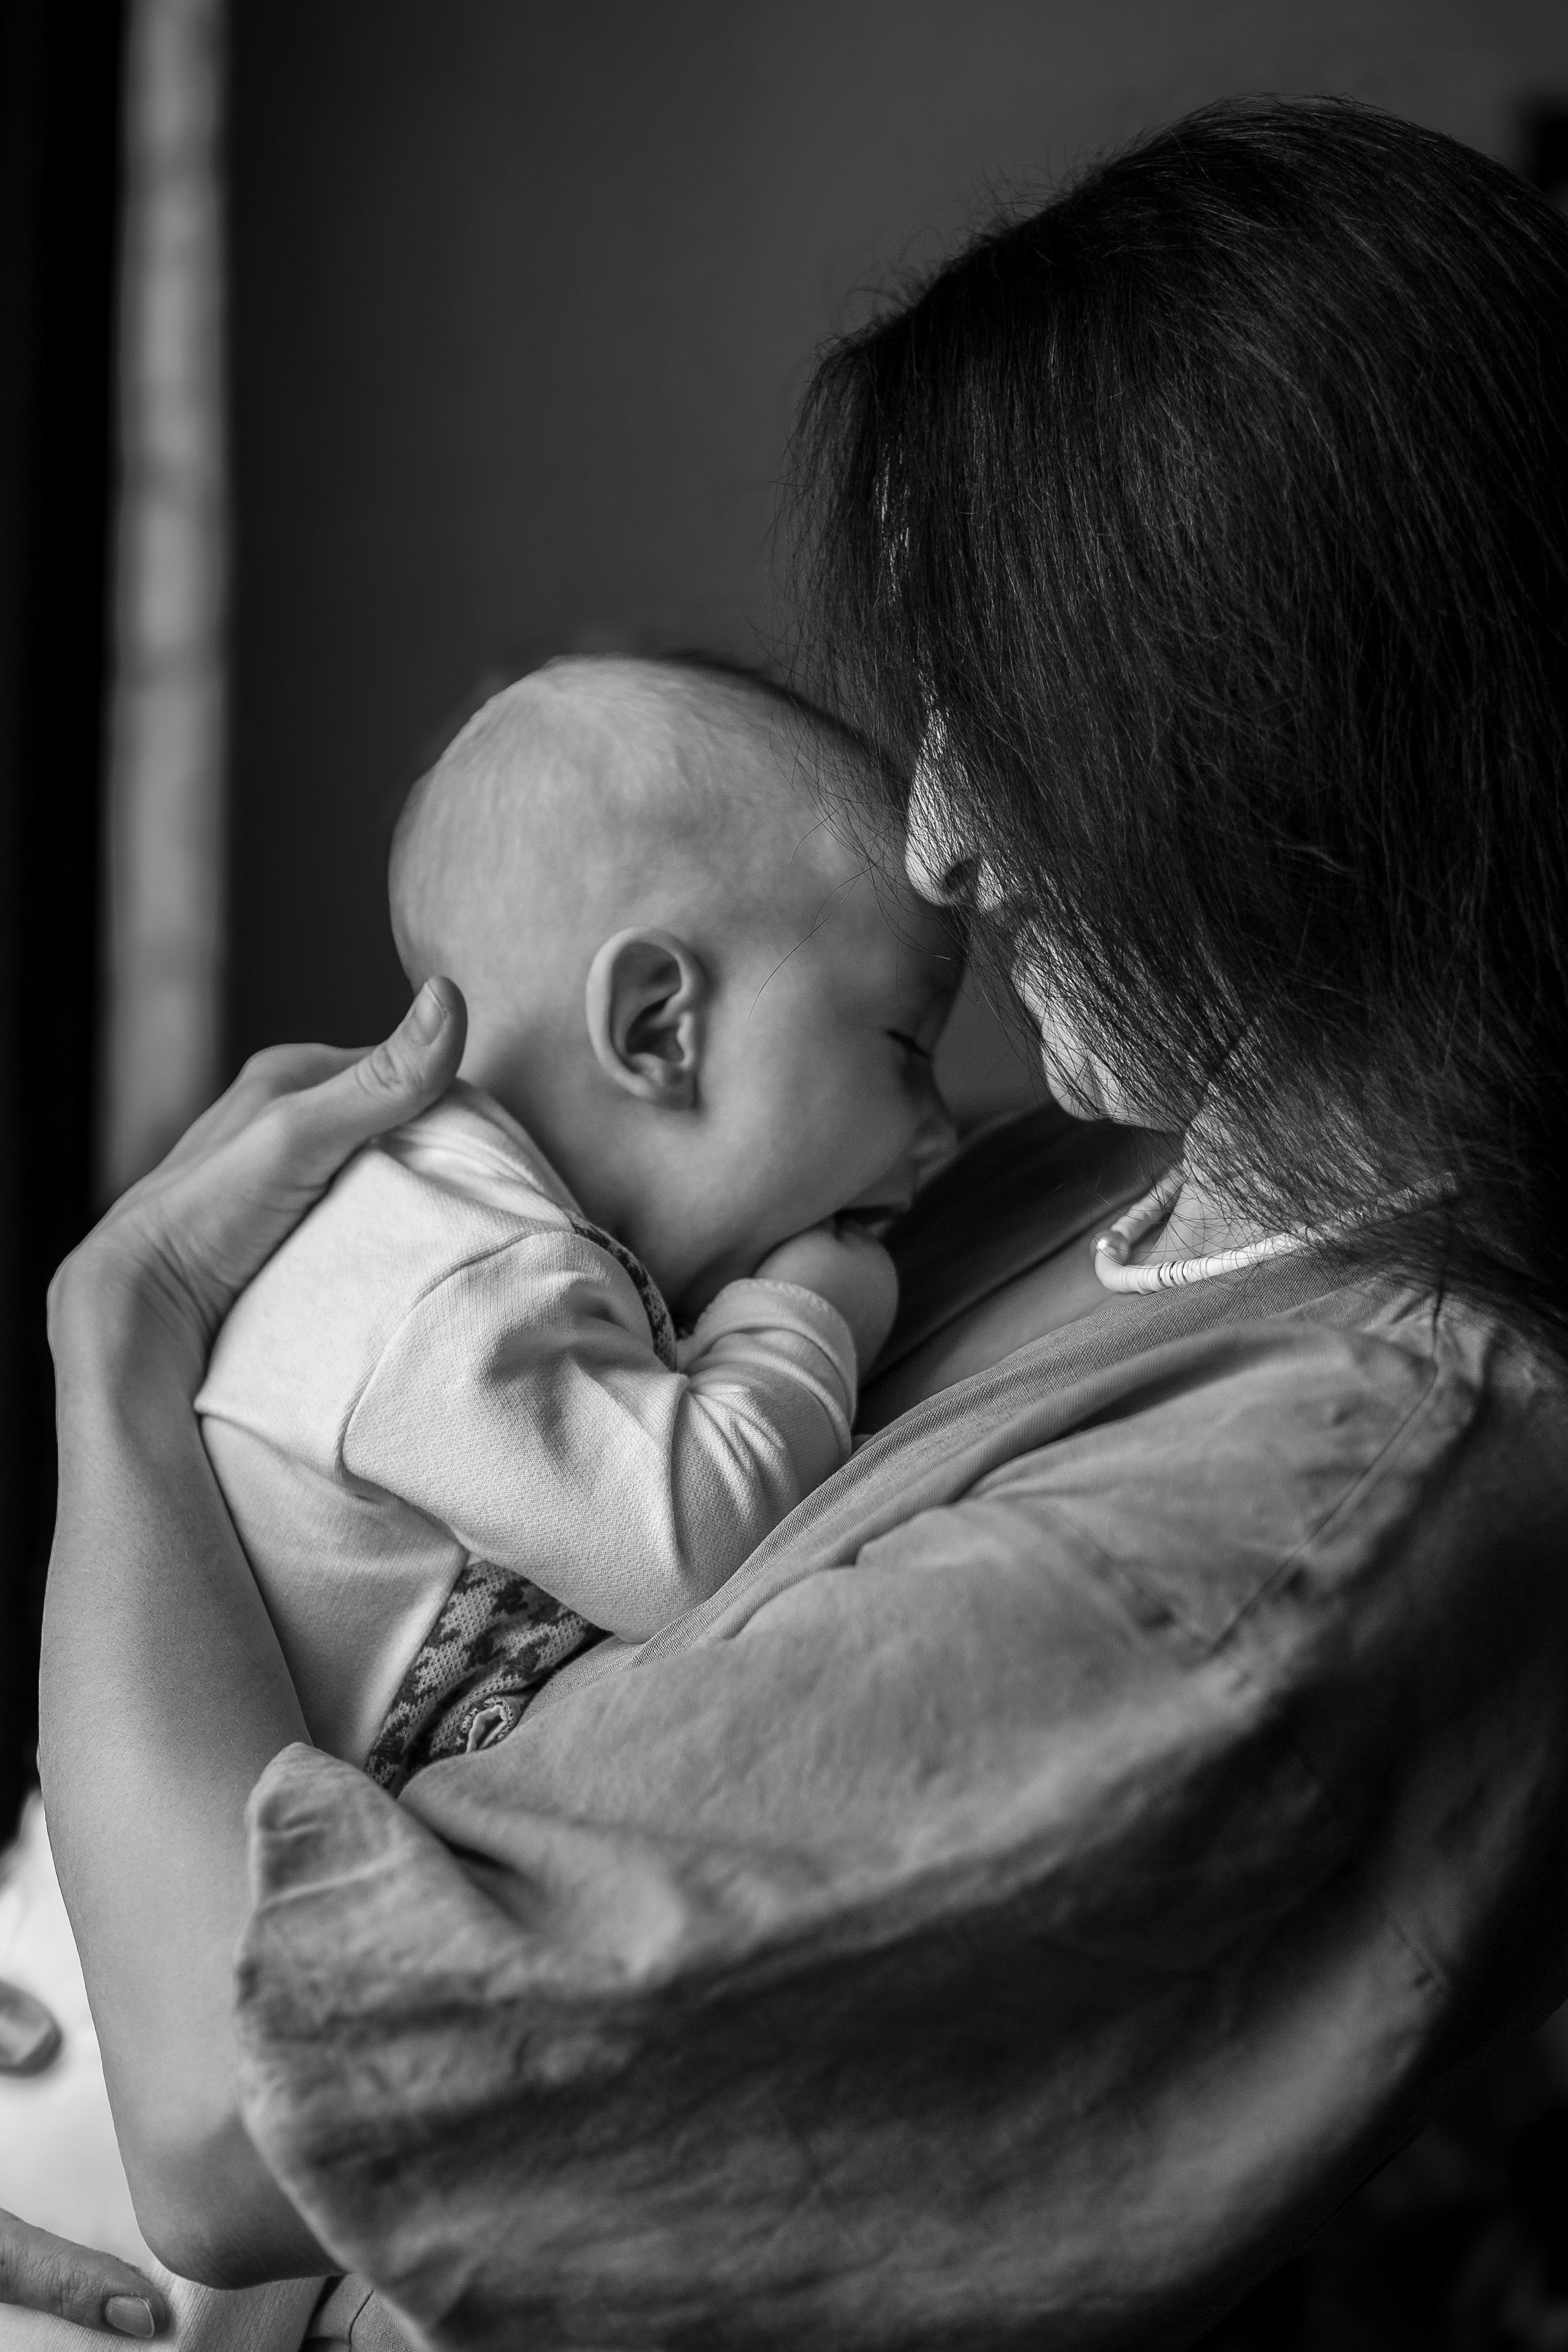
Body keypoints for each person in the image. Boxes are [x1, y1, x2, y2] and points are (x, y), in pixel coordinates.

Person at [19, 92, 1568, 2347]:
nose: (943, 843)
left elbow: (233, 2132)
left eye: (1015, 717)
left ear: (1282, 725)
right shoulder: (1111, 1184)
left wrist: (118, 1363)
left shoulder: (1319, 1499)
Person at [197, 654, 954, 1785]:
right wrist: (807, 1316)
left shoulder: (481, 1224)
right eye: (906, 1049)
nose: (940, 1132)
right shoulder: (448, 1272)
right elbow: (695, 1545)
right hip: (119, 1921)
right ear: (660, 1029)